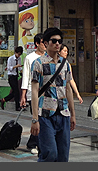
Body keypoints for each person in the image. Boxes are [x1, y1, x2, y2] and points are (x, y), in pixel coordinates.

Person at [30, 27, 76, 162]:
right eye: (54, 41)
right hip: (45, 114)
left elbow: (68, 89)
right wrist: (34, 119)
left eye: (59, 41)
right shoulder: (38, 63)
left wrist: (73, 114)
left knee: (63, 156)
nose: (57, 44)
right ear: (45, 43)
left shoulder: (65, 64)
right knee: (50, 154)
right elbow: (34, 91)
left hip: (63, 113)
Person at [20, 34, 46, 155]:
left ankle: (33, 142)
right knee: (37, 118)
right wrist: (23, 96)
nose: (45, 45)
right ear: (37, 43)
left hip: (46, 93)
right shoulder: (29, 58)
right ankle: (35, 144)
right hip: (32, 93)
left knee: (42, 119)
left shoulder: (48, 57)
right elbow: (25, 77)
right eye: (43, 42)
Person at [0, 46, 23, 111]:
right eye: (18, 54)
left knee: (15, 92)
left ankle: (4, 100)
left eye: (20, 54)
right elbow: (9, 68)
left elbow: (20, 68)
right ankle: (17, 106)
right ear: (15, 52)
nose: (18, 56)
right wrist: (16, 66)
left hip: (16, 76)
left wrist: (22, 72)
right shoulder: (10, 58)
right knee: (16, 92)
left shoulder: (19, 59)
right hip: (11, 76)